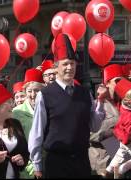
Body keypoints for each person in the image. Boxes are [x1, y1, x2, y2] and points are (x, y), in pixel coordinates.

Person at [28, 33, 105, 178]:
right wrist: (37, 163)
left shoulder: (85, 93)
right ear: (56, 67)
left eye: (72, 63)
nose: (69, 67)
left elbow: (94, 126)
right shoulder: (45, 95)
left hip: (81, 161)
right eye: (65, 64)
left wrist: (100, 102)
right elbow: (36, 132)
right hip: (56, 162)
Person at [89, 64, 123, 177]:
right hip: (101, 164)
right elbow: (89, 133)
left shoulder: (125, 103)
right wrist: (112, 132)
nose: (121, 84)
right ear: (107, 83)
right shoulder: (97, 105)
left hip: (121, 163)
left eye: (122, 81)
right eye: (117, 81)